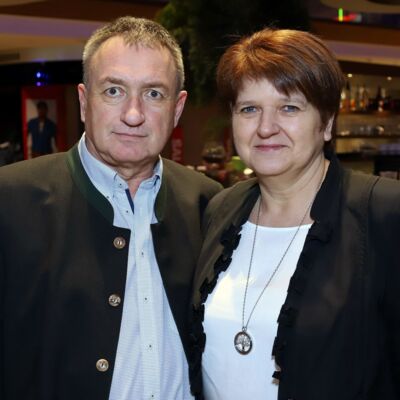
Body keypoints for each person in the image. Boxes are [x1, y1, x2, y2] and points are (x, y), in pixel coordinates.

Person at [0, 16, 221, 400]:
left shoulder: (208, 203)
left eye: (154, 94)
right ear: (84, 101)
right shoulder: (10, 201)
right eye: (114, 91)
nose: (133, 114)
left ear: (177, 108)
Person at [189, 28, 400, 400]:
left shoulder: (384, 213)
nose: (265, 127)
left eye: (289, 108)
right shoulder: (222, 209)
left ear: (327, 122)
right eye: (249, 109)